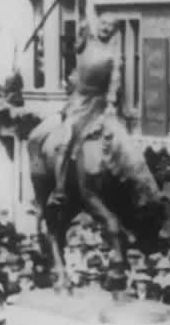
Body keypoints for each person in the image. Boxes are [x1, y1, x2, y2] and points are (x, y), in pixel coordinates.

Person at [43, 0, 121, 207]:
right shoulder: (87, 41)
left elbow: (115, 81)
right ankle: (59, 189)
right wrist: (83, 19)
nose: (105, 28)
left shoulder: (113, 55)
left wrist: (111, 104)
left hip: (98, 106)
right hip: (78, 103)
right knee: (66, 140)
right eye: (103, 24)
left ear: (114, 31)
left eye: (110, 26)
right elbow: (82, 23)